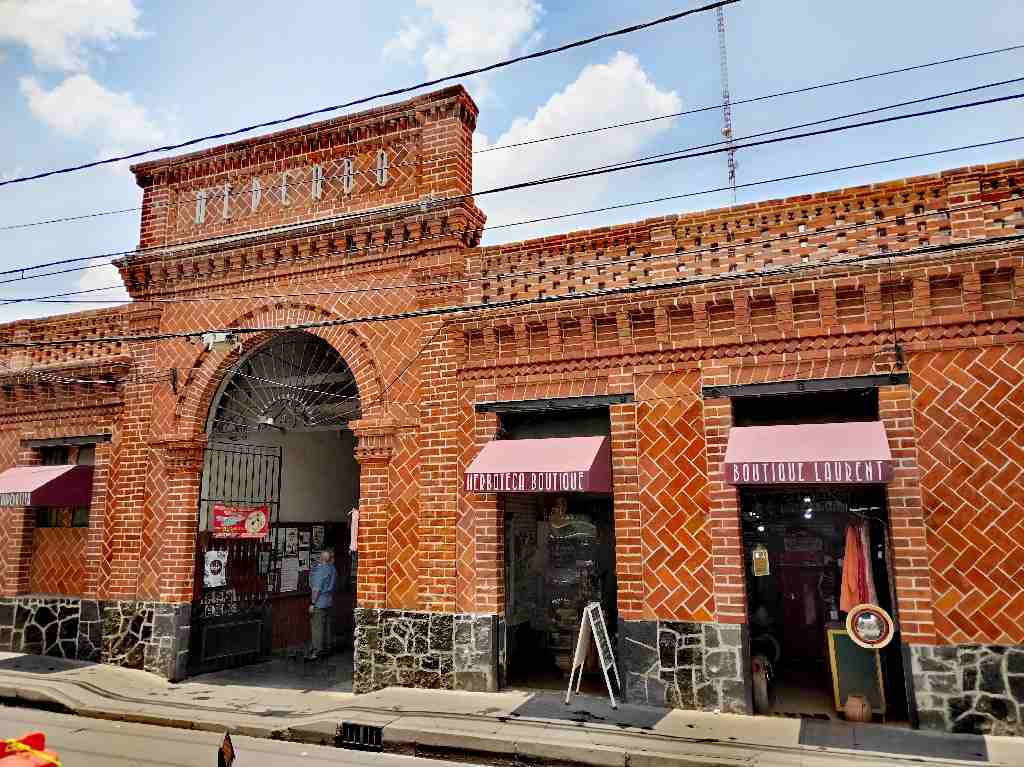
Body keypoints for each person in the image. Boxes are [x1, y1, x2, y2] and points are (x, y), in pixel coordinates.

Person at [308, 548, 337, 660]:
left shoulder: (320, 570)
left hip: (319, 602)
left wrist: (312, 603)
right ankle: (327, 647)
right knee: (327, 627)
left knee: (317, 627)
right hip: (329, 601)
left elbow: (316, 589)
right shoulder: (333, 569)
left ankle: (317, 651)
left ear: (321, 558)